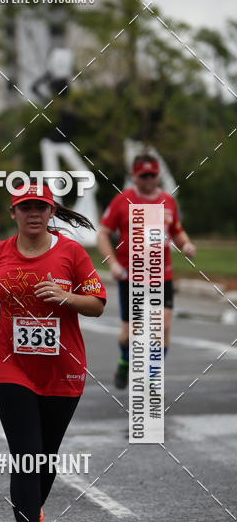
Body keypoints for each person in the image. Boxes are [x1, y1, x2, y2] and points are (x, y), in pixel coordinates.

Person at [0, 182, 106, 522]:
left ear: (51, 211)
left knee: (46, 456)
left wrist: (66, 297)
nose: (34, 213)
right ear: (14, 213)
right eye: (26, 207)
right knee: (26, 452)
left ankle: (31, 516)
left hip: (63, 369)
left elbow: (96, 304)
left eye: (41, 207)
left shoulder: (71, 253)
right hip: (11, 366)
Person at [97, 154, 196, 389]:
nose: (149, 180)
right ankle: (124, 360)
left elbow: (177, 231)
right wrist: (112, 264)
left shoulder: (168, 201)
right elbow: (102, 233)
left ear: (158, 175)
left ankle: (152, 378)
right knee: (128, 335)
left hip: (162, 276)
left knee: (163, 326)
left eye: (152, 175)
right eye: (144, 176)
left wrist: (186, 244)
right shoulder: (122, 201)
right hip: (131, 277)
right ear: (134, 176)